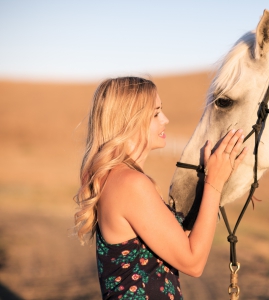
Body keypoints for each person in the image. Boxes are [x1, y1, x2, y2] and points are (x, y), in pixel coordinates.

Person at [74, 77, 248, 299]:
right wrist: (215, 182)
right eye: (156, 113)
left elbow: (178, 242)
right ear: (130, 120)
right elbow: (193, 262)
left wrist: (211, 180)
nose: (165, 119)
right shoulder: (131, 184)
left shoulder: (117, 178)